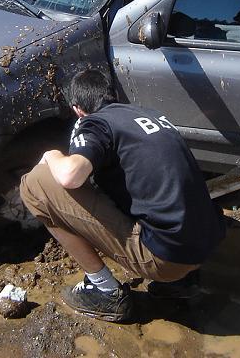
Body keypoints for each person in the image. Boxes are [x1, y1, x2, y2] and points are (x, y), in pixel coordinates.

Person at [20, 68, 226, 322]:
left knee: (34, 184)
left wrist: (51, 154)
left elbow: (70, 175)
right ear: (113, 95)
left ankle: (103, 290)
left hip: (168, 258)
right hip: (206, 242)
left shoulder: (95, 122)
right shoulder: (150, 115)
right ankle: (182, 282)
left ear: (77, 110)